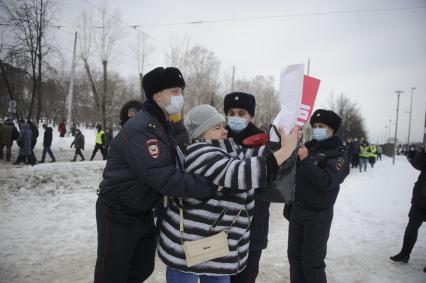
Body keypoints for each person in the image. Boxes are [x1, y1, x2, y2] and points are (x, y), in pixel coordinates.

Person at [94, 67, 218, 283]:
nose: (180, 97)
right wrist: (209, 185)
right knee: (112, 274)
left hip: (142, 212)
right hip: (116, 213)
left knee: (142, 268)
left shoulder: (162, 123)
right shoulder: (142, 128)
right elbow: (164, 177)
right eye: (175, 91)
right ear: (157, 95)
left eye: (181, 91)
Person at [158, 104, 297, 283]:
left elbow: (253, 156)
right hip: (187, 251)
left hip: (215, 250)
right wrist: (285, 151)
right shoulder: (201, 154)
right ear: (201, 133)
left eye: (223, 126)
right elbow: (241, 172)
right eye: (217, 127)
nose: (225, 131)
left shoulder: (225, 149)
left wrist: (282, 142)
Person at [287, 109, 348, 283]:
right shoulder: (309, 147)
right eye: (314, 126)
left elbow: (327, 181)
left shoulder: (338, 153)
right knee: (294, 258)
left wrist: (306, 161)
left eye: (321, 126)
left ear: (332, 129)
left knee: (312, 263)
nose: (316, 129)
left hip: (318, 215)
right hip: (298, 211)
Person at [221, 92, 269, 283]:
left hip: (253, 220)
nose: (236, 117)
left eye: (242, 113)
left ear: (251, 116)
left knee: (246, 277)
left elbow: (269, 179)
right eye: (231, 113)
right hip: (222, 223)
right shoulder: (219, 138)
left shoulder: (264, 142)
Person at [390, 146, 426, 273]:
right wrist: (423, 152)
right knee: (411, 227)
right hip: (421, 198)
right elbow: (416, 164)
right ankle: (405, 253)